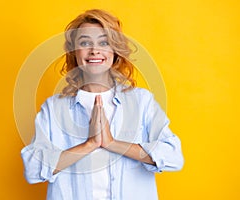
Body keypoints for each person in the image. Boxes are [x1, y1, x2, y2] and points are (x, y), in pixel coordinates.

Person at [21, 9, 184, 200]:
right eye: (85, 43)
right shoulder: (54, 108)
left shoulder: (142, 102)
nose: (95, 50)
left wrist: (112, 143)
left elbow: (173, 157)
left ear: (115, 51)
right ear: (75, 52)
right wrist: (89, 144)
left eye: (103, 42)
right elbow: (32, 169)